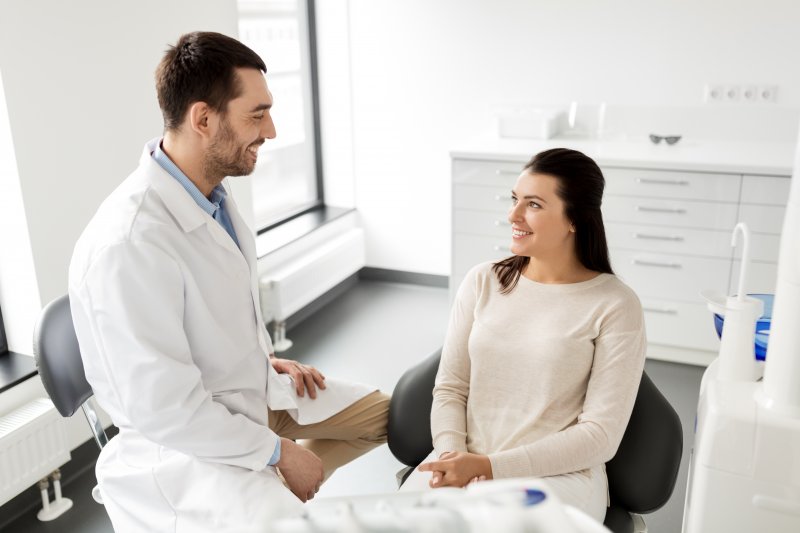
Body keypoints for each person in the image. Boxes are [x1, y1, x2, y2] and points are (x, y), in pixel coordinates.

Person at [68, 31, 389, 532]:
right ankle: (278, 486)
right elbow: (166, 410)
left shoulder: (210, 196)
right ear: (203, 119)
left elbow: (211, 312)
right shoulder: (128, 244)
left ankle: (282, 480)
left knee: (388, 418)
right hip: (186, 450)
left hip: (249, 391)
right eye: (256, 115)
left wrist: (257, 358)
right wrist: (279, 453)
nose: (272, 130)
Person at [407, 148, 646, 522]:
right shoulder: (483, 280)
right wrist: (451, 458)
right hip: (463, 462)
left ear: (575, 219)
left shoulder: (615, 304)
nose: (513, 215)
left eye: (533, 204)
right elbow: (451, 387)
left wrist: (488, 467)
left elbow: (600, 435)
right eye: (515, 199)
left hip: (558, 478)